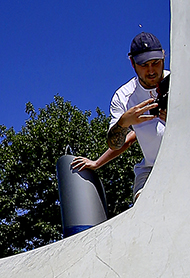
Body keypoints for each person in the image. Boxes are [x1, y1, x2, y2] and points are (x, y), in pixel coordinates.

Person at [70, 31, 169, 202]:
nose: (151, 70)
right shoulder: (124, 97)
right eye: (144, 65)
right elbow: (120, 142)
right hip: (151, 167)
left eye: (156, 63)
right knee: (143, 203)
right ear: (132, 63)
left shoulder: (180, 81)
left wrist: (178, 120)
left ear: (164, 57)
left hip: (187, 156)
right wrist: (124, 123)